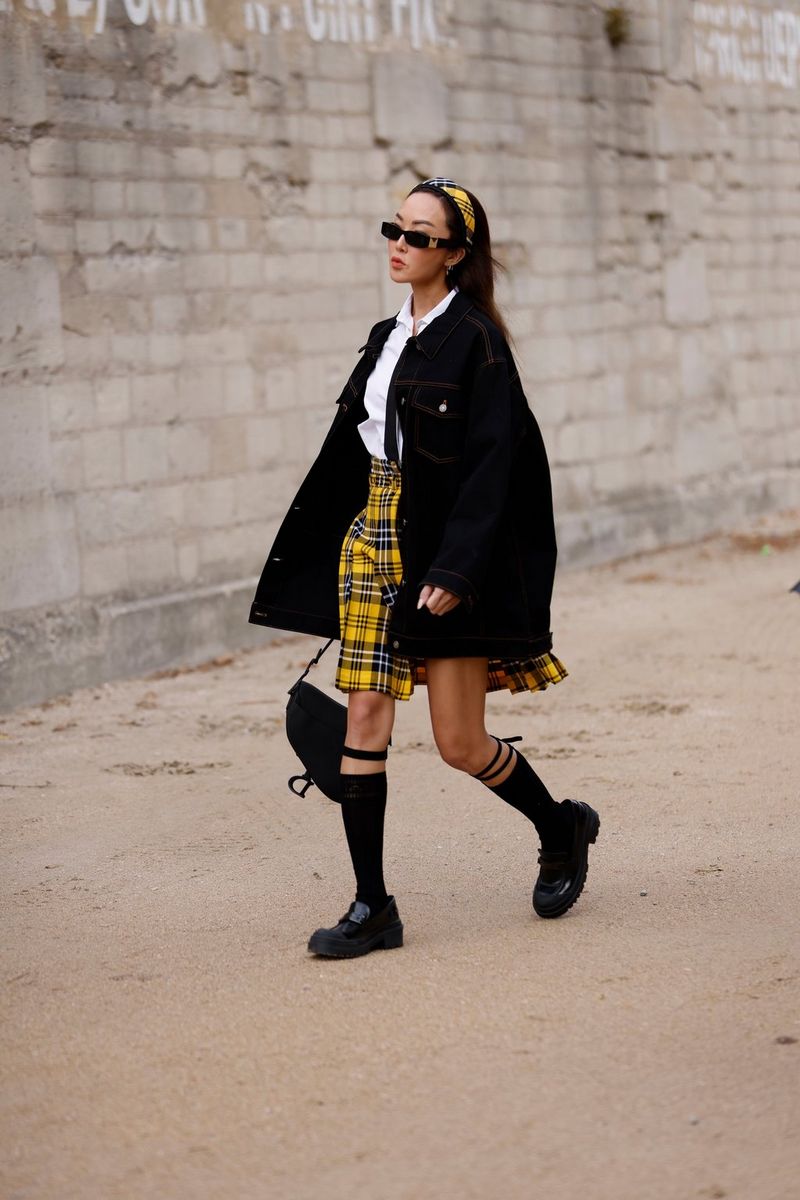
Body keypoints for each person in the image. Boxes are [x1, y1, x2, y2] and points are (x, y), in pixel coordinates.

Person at [250, 177, 600, 957]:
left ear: (455, 254)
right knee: (366, 716)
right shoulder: (382, 337)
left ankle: (560, 824)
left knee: (460, 744)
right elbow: (354, 455)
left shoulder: (477, 342)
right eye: (393, 229)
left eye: (419, 236)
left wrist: (458, 570)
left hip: (441, 552)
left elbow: (494, 469)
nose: (399, 246)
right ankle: (373, 906)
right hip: (369, 541)